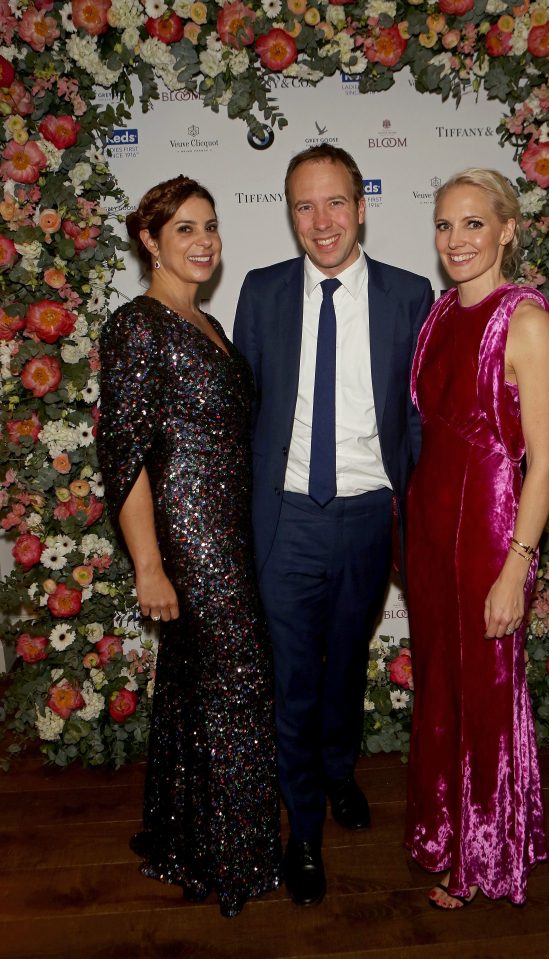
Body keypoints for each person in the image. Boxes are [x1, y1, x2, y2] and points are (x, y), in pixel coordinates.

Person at [234, 145, 433, 906]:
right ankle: (303, 832)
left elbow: (416, 419)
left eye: (335, 203)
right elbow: (246, 415)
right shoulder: (261, 291)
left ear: (361, 204)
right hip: (285, 518)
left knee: (345, 664)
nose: (321, 222)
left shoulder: (410, 294)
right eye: (303, 206)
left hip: (366, 517)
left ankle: (340, 770)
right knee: (291, 680)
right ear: (289, 213)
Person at [97, 175, 281, 918]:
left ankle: (186, 840)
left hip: (227, 529)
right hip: (189, 535)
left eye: (209, 226)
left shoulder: (203, 321)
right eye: (183, 229)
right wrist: (150, 563)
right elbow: (124, 454)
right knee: (241, 684)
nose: (202, 240)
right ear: (149, 241)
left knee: (194, 690)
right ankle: (238, 860)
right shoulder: (137, 324)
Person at [404, 169, 549, 909]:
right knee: (442, 685)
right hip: (431, 525)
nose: (456, 240)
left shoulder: (523, 318)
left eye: (472, 223)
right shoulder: (439, 314)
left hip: (490, 530)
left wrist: (514, 566)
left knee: (484, 691)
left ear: (506, 229)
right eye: (444, 225)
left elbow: (544, 457)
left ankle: (484, 854)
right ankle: (449, 831)